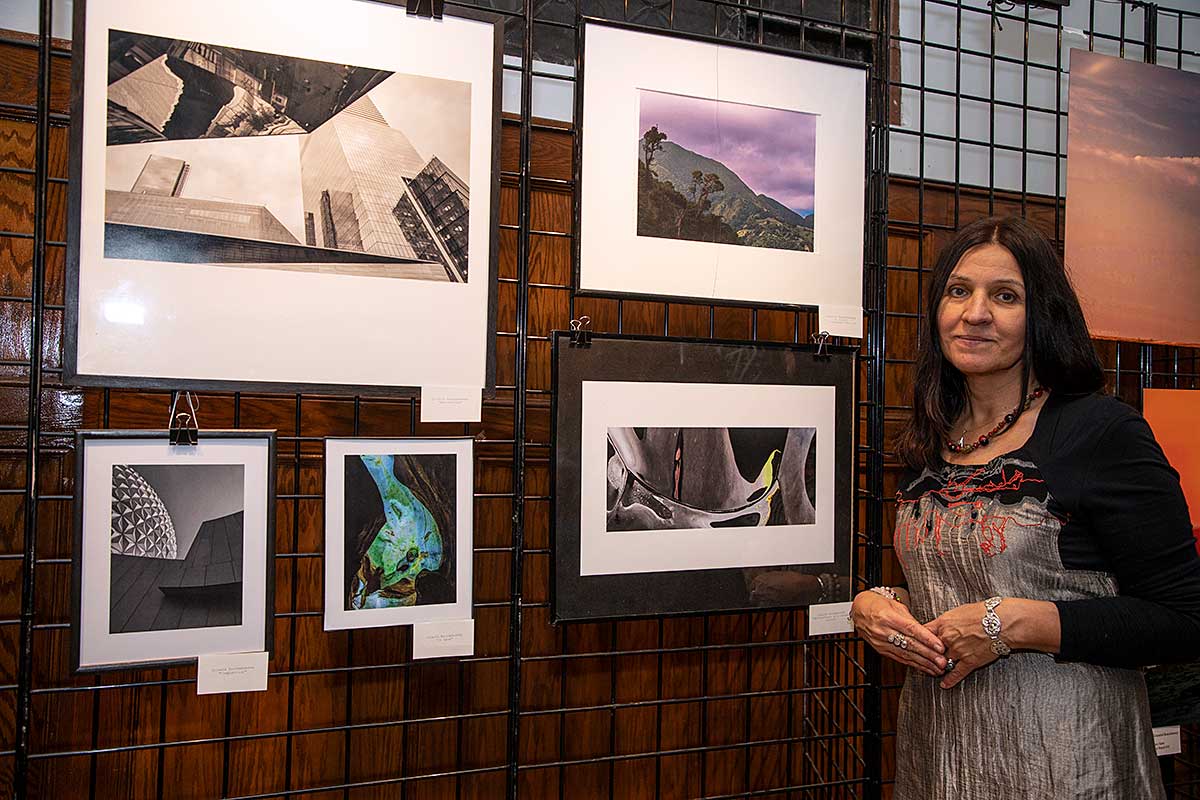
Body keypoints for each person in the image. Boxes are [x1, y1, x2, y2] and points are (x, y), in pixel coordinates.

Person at [848, 215, 1200, 799]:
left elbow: (1186, 618)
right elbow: (958, 579)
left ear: (1043, 316)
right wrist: (882, 605)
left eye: (1005, 296)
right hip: (941, 760)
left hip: (1069, 764)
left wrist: (1015, 624)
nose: (975, 313)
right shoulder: (931, 438)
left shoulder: (1101, 432)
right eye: (958, 291)